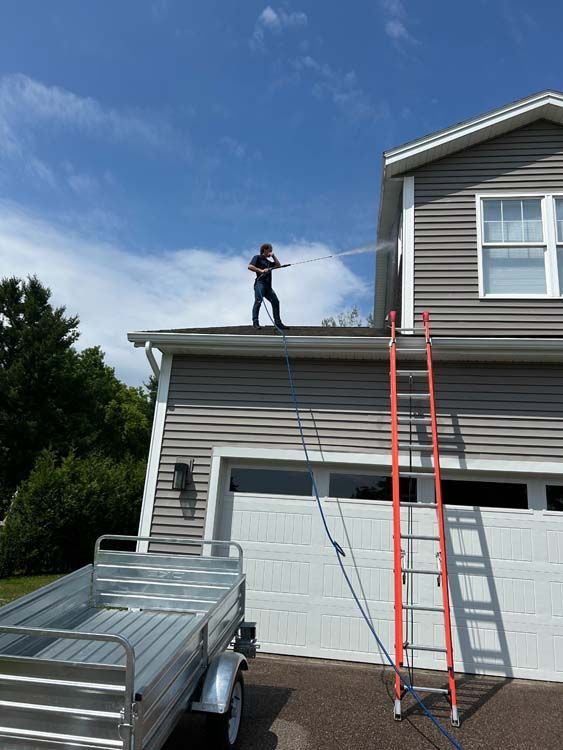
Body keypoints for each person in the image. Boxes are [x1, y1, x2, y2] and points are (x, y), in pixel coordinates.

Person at [248, 243, 289, 329]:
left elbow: (278, 265)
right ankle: (255, 323)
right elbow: (250, 266)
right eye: (270, 250)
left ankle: (278, 323)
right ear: (264, 250)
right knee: (258, 301)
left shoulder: (269, 262)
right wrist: (261, 270)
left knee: (276, 302)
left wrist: (273, 256)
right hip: (260, 284)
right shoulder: (257, 257)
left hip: (268, 286)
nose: (271, 252)